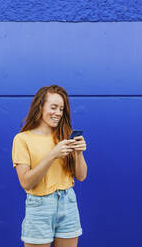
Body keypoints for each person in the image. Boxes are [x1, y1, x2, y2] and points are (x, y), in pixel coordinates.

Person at [12, 84, 88, 247]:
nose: (58, 113)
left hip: (68, 204)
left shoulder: (65, 135)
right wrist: (53, 155)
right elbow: (26, 182)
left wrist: (79, 153)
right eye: (53, 107)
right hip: (40, 207)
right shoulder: (22, 139)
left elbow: (81, 176)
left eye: (61, 109)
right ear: (39, 107)